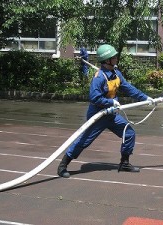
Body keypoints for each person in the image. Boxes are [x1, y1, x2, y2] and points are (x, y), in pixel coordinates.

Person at [57, 44, 154, 178]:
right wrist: (110, 102)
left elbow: (128, 88)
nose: (116, 58)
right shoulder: (99, 77)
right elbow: (94, 97)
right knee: (84, 141)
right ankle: (63, 165)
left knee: (129, 133)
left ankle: (124, 163)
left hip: (112, 115)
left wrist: (145, 98)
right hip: (98, 115)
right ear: (107, 60)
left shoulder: (116, 74)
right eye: (114, 57)